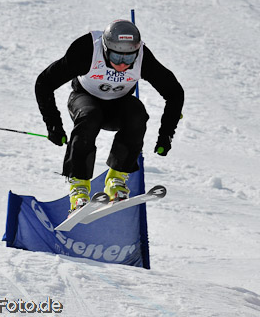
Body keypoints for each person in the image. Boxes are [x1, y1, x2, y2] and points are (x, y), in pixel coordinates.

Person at [35, 19, 184, 213]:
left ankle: (117, 179)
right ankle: (79, 188)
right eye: (116, 57)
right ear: (105, 49)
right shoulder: (87, 50)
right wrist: (53, 124)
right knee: (90, 116)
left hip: (118, 106)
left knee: (137, 113)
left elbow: (174, 93)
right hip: (84, 98)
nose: (122, 65)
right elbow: (44, 82)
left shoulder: (143, 58)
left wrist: (166, 134)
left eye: (129, 59)